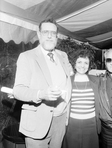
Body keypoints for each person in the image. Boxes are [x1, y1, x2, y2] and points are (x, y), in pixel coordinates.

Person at [13, 18, 73, 148]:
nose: (50, 36)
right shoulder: (27, 57)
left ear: (57, 37)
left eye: (53, 33)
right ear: (39, 34)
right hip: (38, 122)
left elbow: (69, 79)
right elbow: (18, 90)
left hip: (60, 120)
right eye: (46, 32)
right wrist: (41, 94)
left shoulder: (63, 55)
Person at [62, 50, 101, 148]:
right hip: (72, 124)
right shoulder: (67, 80)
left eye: (86, 63)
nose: (82, 66)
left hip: (91, 124)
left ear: (89, 65)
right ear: (74, 64)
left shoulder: (96, 80)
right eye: (79, 62)